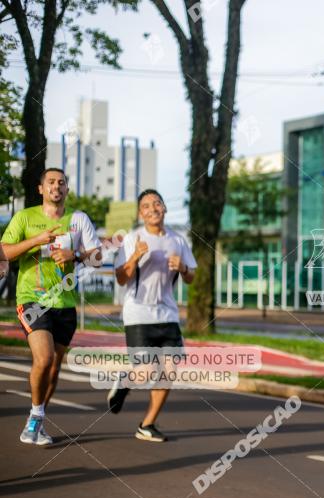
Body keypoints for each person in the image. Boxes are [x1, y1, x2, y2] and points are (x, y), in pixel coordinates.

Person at [2, 168, 101, 446]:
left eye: (62, 182)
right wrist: (35, 241)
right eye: (51, 182)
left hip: (65, 303)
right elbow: (4, 252)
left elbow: (97, 257)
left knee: (54, 368)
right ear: (41, 189)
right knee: (43, 359)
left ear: (67, 189)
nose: (56, 186)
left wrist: (77, 255)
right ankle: (33, 417)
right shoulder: (25, 217)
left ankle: (38, 422)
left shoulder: (78, 220)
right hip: (32, 299)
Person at [107, 189, 196, 442]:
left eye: (157, 203)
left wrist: (184, 267)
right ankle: (125, 381)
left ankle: (147, 424)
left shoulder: (178, 241)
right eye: (146, 206)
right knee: (146, 372)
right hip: (138, 313)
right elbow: (122, 278)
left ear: (165, 208)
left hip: (167, 313)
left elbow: (191, 278)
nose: (153, 208)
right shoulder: (133, 238)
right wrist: (134, 257)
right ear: (140, 213)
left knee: (169, 370)